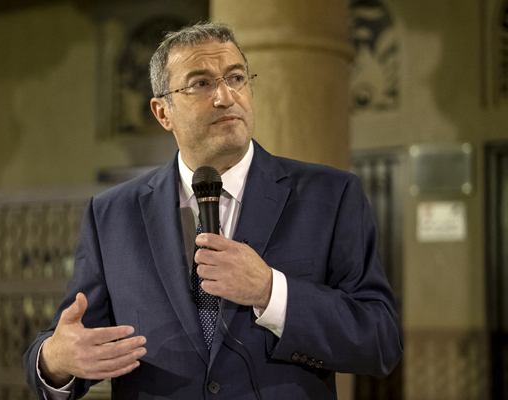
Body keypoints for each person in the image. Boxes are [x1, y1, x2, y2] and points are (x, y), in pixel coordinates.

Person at [23, 21, 403, 400]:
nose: (225, 96)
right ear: (162, 112)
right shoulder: (111, 214)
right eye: (201, 83)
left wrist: (271, 291)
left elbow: (379, 342)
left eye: (236, 77)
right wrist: (55, 361)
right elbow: (76, 342)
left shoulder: (330, 196)